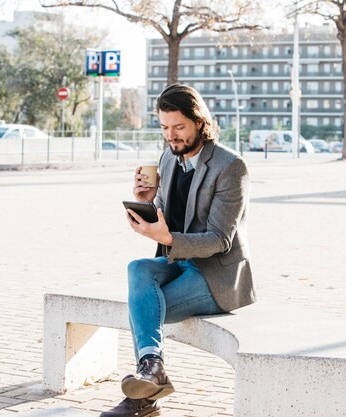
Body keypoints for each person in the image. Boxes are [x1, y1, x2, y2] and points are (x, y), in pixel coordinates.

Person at [101, 84, 255, 417]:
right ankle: (152, 369)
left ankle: (145, 396)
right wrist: (147, 204)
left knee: (142, 308)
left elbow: (219, 239)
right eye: (165, 128)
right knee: (137, 270)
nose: (171, 136)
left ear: (200, 122)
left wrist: (167, 238)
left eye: (179, 127)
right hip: (177, 263)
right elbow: (168, 217)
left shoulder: (231, 167)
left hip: (215, 277)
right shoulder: (168, 161)